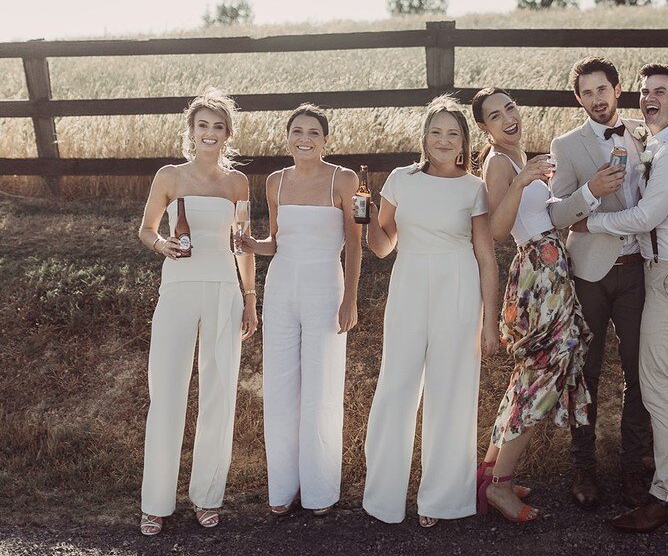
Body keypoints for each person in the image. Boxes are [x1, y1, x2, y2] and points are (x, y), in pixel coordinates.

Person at [572, 64, 668, 533]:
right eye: (645, 91)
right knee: (661, 376)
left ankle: (667, 495)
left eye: (661, 92)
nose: (650, 98)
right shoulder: (655, 142)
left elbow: (647, 215)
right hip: (664, 276)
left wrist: (588, 223)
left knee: (655, 385)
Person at [362, 96, 500, 528]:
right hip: (408, 283)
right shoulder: (401, 180)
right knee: (396, 386)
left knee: (452, 390)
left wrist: (490, 322)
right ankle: (384, 497)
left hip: (458, 286)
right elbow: (383, 248)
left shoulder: (473, 188)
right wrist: (365, 221)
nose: (443, 140)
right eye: (436, 132)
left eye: (452, 133)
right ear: (424, 137)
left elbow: (486, 257)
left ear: (464, 140)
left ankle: (440, 500)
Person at [136, 88, 258, 536]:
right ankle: (155, 503)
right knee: (166, 392)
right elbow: (146, 230)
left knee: (219, 393)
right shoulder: (169, 176)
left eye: (218, 126)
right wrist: (162, 244)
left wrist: (249, 298)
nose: (210, 133)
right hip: (179, 289)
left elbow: (243, 244)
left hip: (225, 290)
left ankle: (207, 497)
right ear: (191, 131)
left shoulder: (237, 184)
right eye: (202, 125)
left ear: (228, 134)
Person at [472, 86, 592, 523]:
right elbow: (499, 230)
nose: (507, 118)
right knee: (544, 376)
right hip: (536, 274)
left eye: (510, 108)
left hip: (551, 268)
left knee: (529, 376)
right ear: (485, 128)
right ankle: (501, 485)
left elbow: (543, 214)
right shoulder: (499, 163)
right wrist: (523, 181)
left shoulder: (522, 157)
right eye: (495, 115)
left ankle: (488, 474)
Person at [240, 104, 361, 517]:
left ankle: (319, 490)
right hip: (281, 288)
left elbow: (356, 244)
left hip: (326, 288)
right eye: (297, 131)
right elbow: (276, 241)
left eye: (313, 132)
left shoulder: (343, 180)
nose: (304, 138)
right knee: (280, 387)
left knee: (321, 389)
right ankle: (283, 488)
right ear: (287, 136)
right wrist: (252, 245)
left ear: (325, 139)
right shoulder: (275, 182)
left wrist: (351, 300)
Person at [548, 57, 651, 509]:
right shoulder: (566, 145)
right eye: (586, 93)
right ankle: (583, 468)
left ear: (618, 89)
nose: (596, 100)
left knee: (640, 372)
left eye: (601, 90)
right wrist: (589, 191)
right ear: (578, 98)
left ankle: (633, 466)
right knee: (586, 373)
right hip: (590, 273)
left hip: (639, 269)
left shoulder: (646, 134)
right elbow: (556, 214)